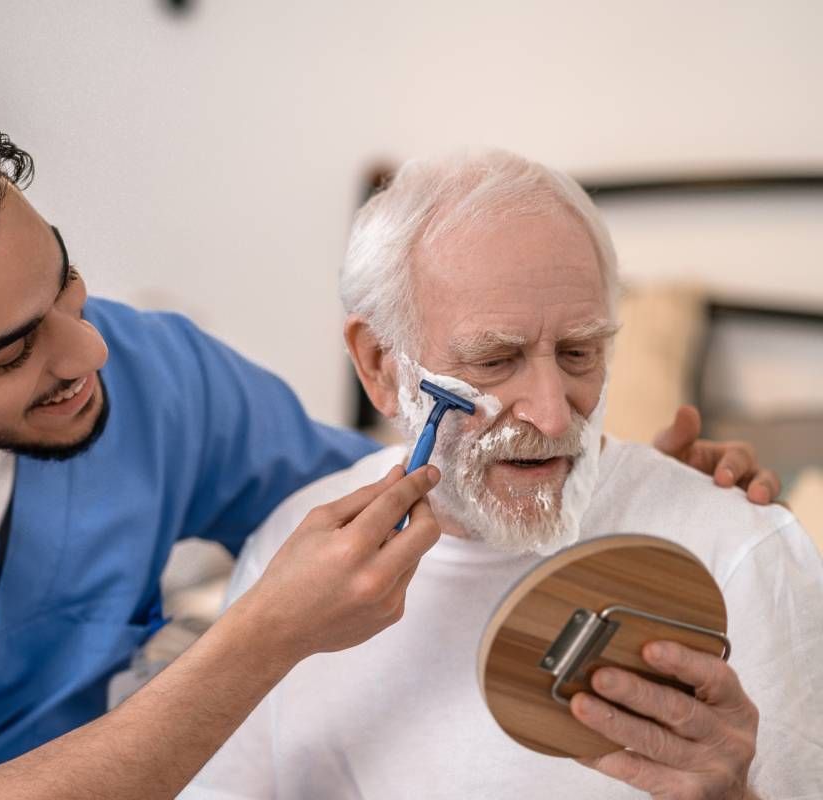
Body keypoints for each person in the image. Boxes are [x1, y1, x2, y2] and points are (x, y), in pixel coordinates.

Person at [0, 99, 776, 800]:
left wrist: (629, 475)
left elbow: (406, 485)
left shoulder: (158, 369)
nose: (88, 348)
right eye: (10, 348)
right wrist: (267, 632)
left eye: (67, 280)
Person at [183, 150, 823, 799]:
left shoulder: (742, 553)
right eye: (495, 360)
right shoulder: (291, 551)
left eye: (579, 354)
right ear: (379, 364)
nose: (550, 415)